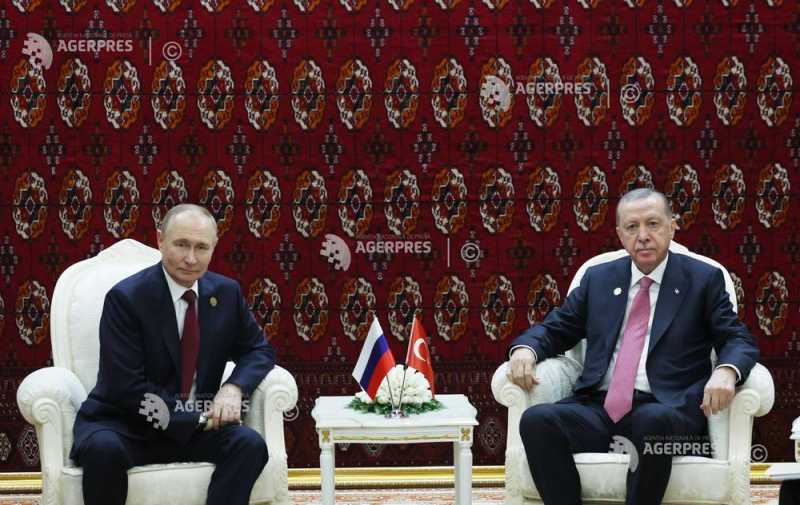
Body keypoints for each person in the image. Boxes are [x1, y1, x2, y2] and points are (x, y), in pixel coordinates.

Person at [507, 188, 759, 505]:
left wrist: (726, 371)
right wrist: (526, 349)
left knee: (651, 420)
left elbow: (737, 338)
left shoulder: (702, 279)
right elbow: (558, 328)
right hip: (599, 409)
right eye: (632, 227)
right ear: (620, 234)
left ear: (672, 226)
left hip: (667, 411)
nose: (643, 236)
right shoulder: (598, 278)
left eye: (653, 224)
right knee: (537, 420)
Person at [70, 203, 275, 505]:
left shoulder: (226, 293)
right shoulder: (126, 299)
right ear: (160, 240)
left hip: (197, 426)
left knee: (249, 444)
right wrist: (197, 419)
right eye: (181, 244)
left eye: (201, 247)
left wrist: (234, 387)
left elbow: (259, 350)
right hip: (127, 425)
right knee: (103, 450)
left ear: (214, 248)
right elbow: (126, 389)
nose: (191, 258)